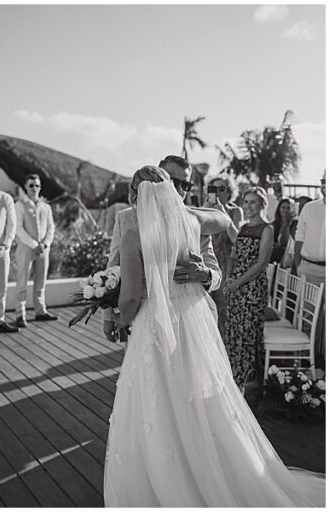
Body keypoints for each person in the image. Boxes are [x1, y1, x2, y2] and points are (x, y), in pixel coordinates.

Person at [103, 166, 324, 507]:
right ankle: (209, 469)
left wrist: (117, 318)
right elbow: (220, 220)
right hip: (191, 323)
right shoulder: (190, 223)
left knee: (158, 400)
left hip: (154, 327)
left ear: (137, 193)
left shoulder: (136, 234)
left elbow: (131, 298)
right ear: (169, 191)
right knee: (198, 399)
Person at [102, 155, 221, 341]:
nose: (180, 190)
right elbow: (113, 268)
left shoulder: (195, 220)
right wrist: (108, 317)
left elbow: (216, 274)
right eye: (175, 182)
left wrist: (206, 274)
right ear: (162, 178)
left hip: (190, 322)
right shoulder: (126, 219)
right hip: (141, 322)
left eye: (186, 185)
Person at [223, 189, 274, 387]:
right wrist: (228, 277)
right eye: (246, 202)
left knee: (248, 331)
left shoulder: (266, 229)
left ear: (262, 204)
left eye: (253, 202)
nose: (248, 206)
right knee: (234, 329)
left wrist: (236, 282)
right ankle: (233, 374)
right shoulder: (243, 228)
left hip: (252, 288)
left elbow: (261, 264)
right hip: (235, 285)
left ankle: (250, 380)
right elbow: (233, 256)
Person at [13, 174, 57, 325]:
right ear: (26, 186)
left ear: (40, 187)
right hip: (25, 248)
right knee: (22, 282)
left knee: (41, 282)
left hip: (43, 249)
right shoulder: (19, 205)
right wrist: (34, 245)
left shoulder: (46, 207)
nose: (34, 188)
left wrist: (45, 244)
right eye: (31, 185)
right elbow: (18, 228)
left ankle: (40, 311)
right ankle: (20, 314)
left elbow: (51, 227)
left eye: (37, 185)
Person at [293, 172, 326, 369]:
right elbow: (299, 237)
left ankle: (323, 361)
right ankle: (305, 361)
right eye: (323, 181)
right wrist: (298, 265)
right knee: (307, 316)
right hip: (309, 268)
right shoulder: (309, 208)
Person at [205, 175, 243, 342]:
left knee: (224, 311)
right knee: (206, 311)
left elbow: (237, 239)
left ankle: (225, 353)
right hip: (208, 265)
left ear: (229, 192)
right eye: (215, 189)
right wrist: (204, 211)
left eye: (222, 189)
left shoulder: (235, 211)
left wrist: (222, 212)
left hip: (227, 266)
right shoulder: (205, 210)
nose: (218, 192)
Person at [0, 167, 19, 333]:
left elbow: (12, 223)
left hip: (2, 249)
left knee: (1, 287)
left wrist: (6, 245)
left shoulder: (5, 197)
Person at [271, 197, 298, 267]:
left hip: (291, 259)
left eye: (288, 208)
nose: (286, 210)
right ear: (279, 209)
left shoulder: (296, 224)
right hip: (276, 260)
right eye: (283, 207)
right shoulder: (273, 225)